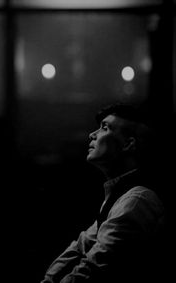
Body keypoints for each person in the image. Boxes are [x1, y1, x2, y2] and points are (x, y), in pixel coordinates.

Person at [40, 103, 169, 283]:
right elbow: (80, 246)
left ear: (128, 144)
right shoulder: (120, 196)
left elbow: (94, 268)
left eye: (104, 128)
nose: (92, 134)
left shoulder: (136, 201)